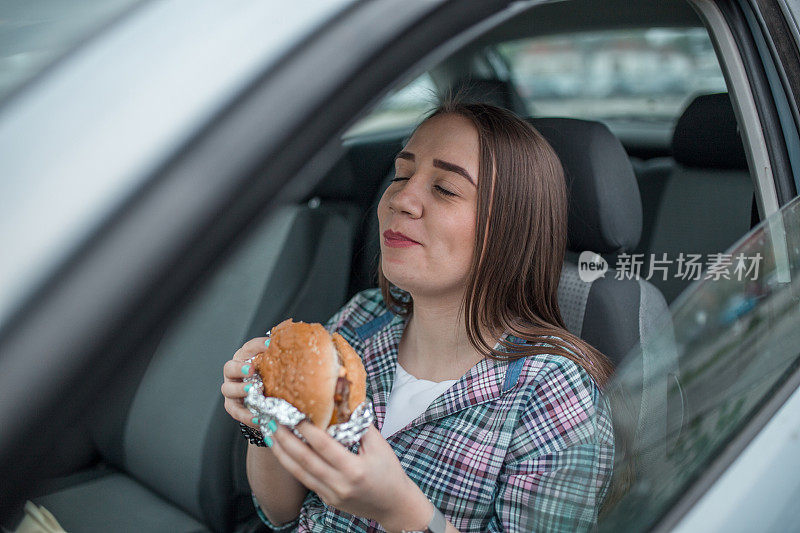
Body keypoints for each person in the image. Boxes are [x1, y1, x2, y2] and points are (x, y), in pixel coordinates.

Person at [221, 100, 615, 532]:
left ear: (510, 226)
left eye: (445, 189)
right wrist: (261, 423)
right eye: (402, 175)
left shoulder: (553, 392)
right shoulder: (359, 321)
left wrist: (401, 513)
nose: (401, 199)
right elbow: (283, 514)